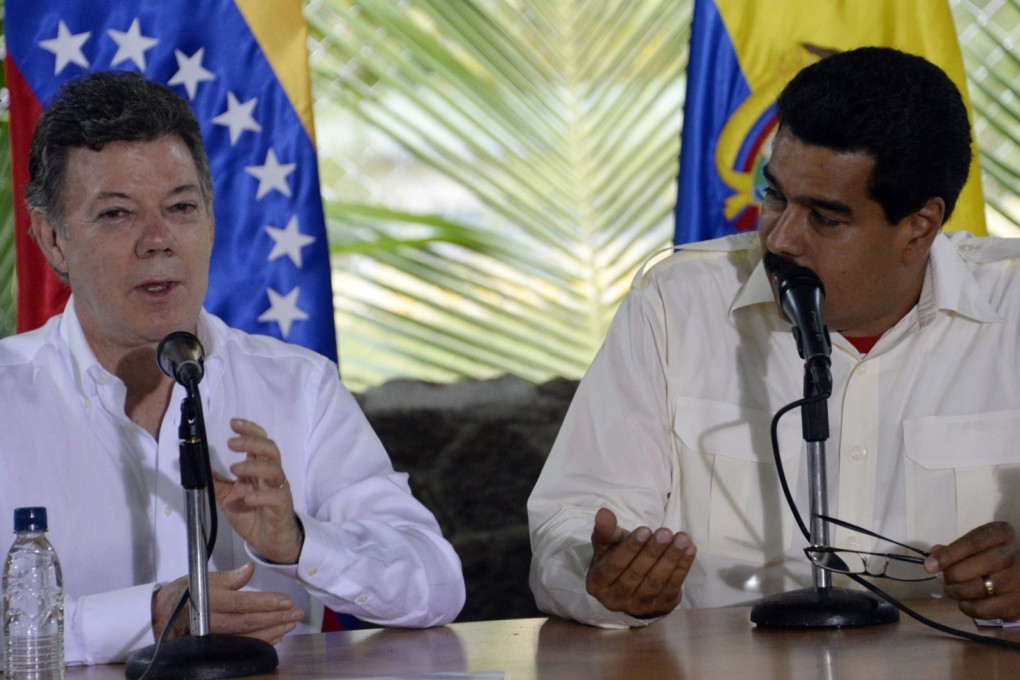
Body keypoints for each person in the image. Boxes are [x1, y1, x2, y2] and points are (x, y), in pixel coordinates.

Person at [528, 46, 1020, 628]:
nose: (781, 239)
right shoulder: (678, 302)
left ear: (918, 228)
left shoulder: (1011, 308)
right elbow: (573, 517)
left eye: (825, 218)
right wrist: (601, 575)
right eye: (775, 197)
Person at [0, 71, 465, 665]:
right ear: (53, 241)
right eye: (117, 215)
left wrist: (299, 541)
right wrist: (146, 618)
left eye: (182, 207)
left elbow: (437, 585)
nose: (159, 240)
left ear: (213, 222)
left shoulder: (299, 388)